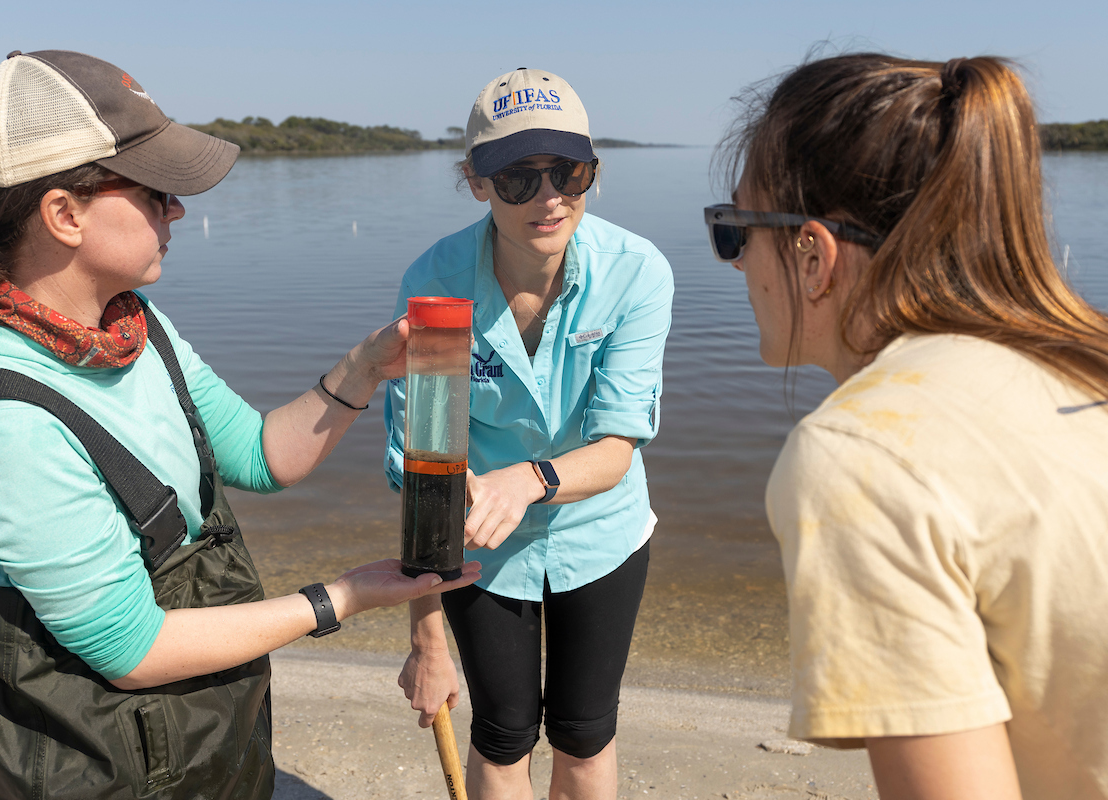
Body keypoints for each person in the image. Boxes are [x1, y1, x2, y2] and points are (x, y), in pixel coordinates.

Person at [0, 49, 479, 800]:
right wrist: (338, 599)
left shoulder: (134, 330)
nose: (177, 209)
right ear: (64, 213)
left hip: (192, 747)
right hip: (92, 767)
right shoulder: (1, 423)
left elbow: (260, 454)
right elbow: (132, 649)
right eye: (155, 191)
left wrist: (364, 367)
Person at [708, 52, 1108, 800]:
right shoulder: (1087, 356)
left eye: (733, 231)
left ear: (812, 254)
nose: (733, 264)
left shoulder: (867, 453)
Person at [386, 69, 674, 799]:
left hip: (601, 531)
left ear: (593, 172)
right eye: (517, 177)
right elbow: (426, 479)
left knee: (585, 733)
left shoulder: (637, 273)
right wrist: (426, 640)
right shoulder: (436, 285)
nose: (548, 199)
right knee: (504, 732)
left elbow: (615, 448)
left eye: (567, 172)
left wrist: (533, 479)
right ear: (476, 182)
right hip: (481, 547)